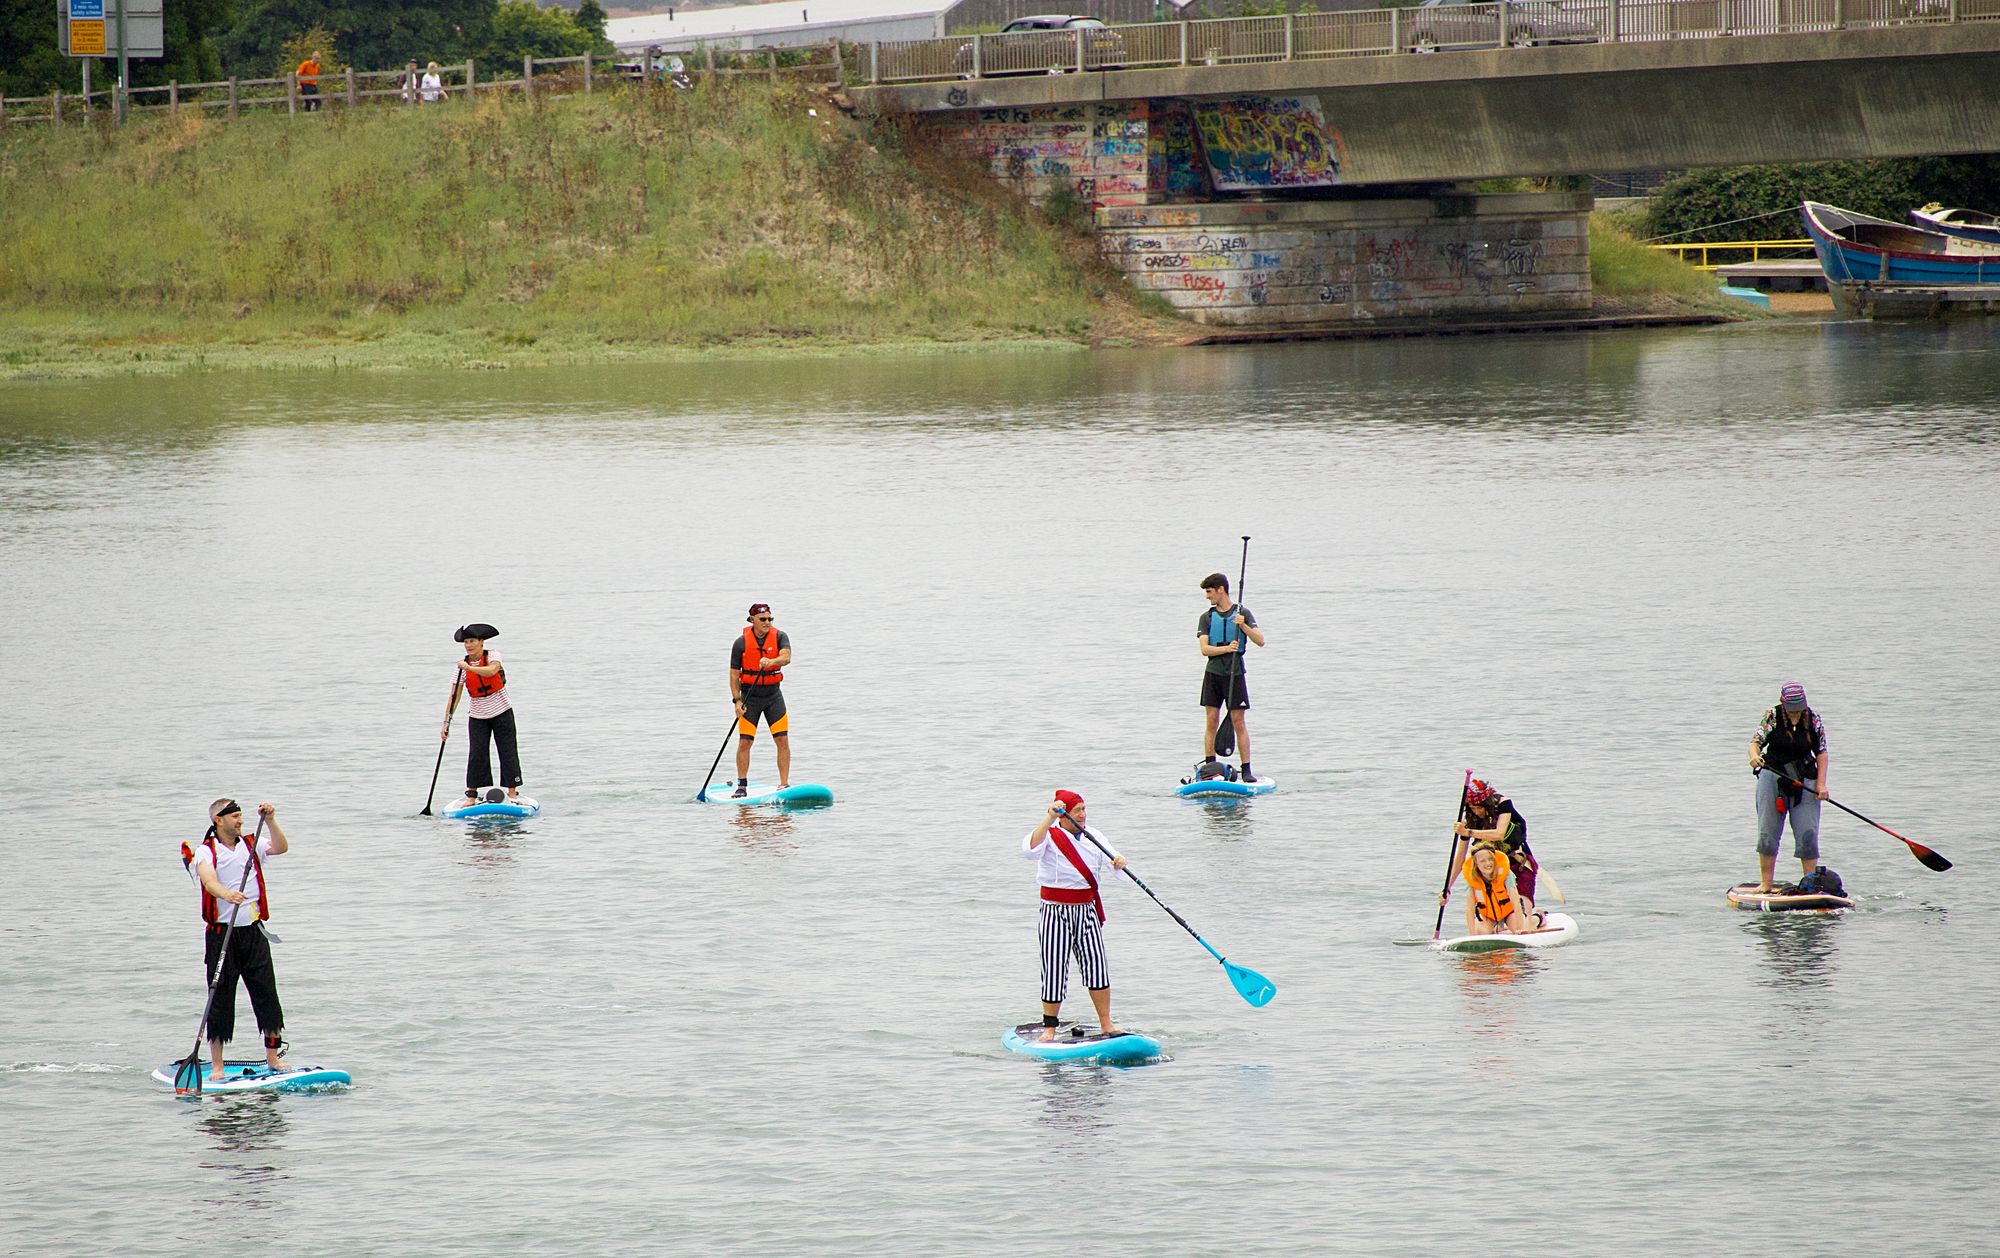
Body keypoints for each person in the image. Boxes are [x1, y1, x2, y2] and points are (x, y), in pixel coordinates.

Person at [183, 799, 291, 1080]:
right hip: (222, 935)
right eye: (234, 816)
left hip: (253, 933)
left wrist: (270, 820)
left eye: (241, 816)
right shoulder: (206, 852)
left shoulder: (251, 843)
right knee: (219, 998)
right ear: (219, 820)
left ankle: (273, 1058)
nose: (240, 821)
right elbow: (208, 881)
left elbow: (281, 847)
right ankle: (217, 1066)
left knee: (266, 993)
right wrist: (225, 894)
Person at [1022, 791, 1128, 1040]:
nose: (1082, 815)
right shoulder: (1049, 835)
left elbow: (1113, 859)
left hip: (1086, 909)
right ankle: (1049, 1028)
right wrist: (1049, 818)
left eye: (1084, 809)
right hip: (1055, 910)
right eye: (1077, 809)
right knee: (1054, 967)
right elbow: (1029, 849)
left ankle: (1106, 1023)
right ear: (1065, 813)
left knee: (1097, 966)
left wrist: (1119, 862)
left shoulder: (1095, 835)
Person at [1749, 681, 1828, 892]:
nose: (1795, 713)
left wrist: (1821, 785)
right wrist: (1755, 757)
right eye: (1792, 709)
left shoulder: (1813, 718)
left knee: (1808, 832)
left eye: (1798, 708)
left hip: (1805, 780)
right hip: (1773, 776)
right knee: (1768, 831)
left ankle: (1810, 883)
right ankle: (1766, 883)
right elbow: (1755, 742)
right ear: (1783, 704)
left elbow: (1821, 752)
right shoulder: (1772, 716)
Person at [1196, 571, 1266, 781]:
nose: (1207, 596)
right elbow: (1205, 649)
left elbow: (1260, 640)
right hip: (1213, 674)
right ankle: (1210, 769)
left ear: (1221, 590)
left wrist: (1243, 625)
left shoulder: (1242, 612)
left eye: (1209, 592)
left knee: (1238, 721)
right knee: (1211, 720)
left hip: (1235, 674)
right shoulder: (1206, 617)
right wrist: (1227, 648)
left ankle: (1246, 769)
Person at [447, 622, 523, 806]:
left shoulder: (493, 656)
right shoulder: (461, 668)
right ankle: (472, 795)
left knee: (507, 750)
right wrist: (446, 722)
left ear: (481, 642)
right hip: (478, 715)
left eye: (472, 641)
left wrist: (470, 668)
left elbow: (491, 671)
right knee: (476, 754)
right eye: (466, 642)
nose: (469, 645)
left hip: (502, 711)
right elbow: (454, 695)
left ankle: (512, 792)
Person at [1455, 778, 1542, 926]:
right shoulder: (1469, 820)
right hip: (1493, 871)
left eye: (1480, 807)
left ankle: (1538, 917)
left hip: (1518, 863)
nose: (1477, 812)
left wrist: (1468, 832)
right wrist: (1447, 889)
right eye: (1473, 808)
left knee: (1524, 924)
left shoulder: (1503, 804)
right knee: (1494, 922)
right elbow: (1460, 859)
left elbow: (1499, 834)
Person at [728, 603, 792, 797]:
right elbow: (733, 675)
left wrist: (771, 662)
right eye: (763, 619)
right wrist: (737, 701)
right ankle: (742, 786)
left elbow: (786, 657)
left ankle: (783, 784)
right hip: (750, 697)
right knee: (745, 742)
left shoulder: (780, 636)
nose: (767, 623)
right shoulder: (741, 643)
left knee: (782, 739)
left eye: (770, 619)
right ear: (752, 620)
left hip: (773, 696)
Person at [1443, 841, 1534, 937]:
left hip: (1510, 912)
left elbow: (1516, 902)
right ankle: (1498, 927)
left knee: (1520, 929)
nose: (1488, 863)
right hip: (1488, 915)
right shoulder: (1473, 880)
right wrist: (1472, 934)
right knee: (1480, 933)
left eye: (1490, 859)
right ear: (1476, 864)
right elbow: (1469, 910)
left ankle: (1538, 917)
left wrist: (1520, 929)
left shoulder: (1506, 874)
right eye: (1483, 861)